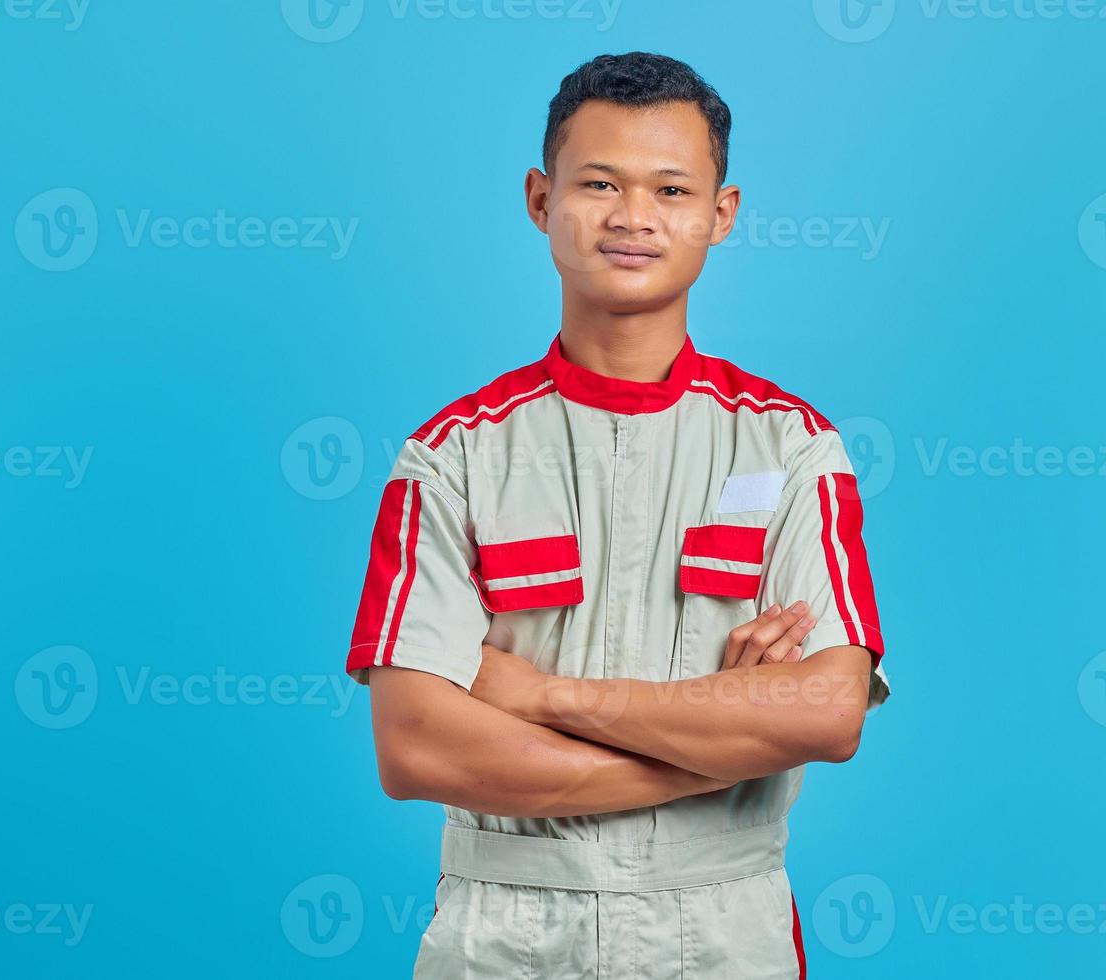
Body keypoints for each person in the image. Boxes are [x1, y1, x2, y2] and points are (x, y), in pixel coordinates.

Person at [345, 51, 890, 979]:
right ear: (539, 198)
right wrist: (716, 748)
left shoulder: (795, 449)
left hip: (723, 930)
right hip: (506, 931)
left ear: (721, 215)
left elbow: (829, 711)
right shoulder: (451, 457)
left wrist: (539, 693)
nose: (634, 217)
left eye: (672, 188)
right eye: (599, 183)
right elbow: (413, 744)